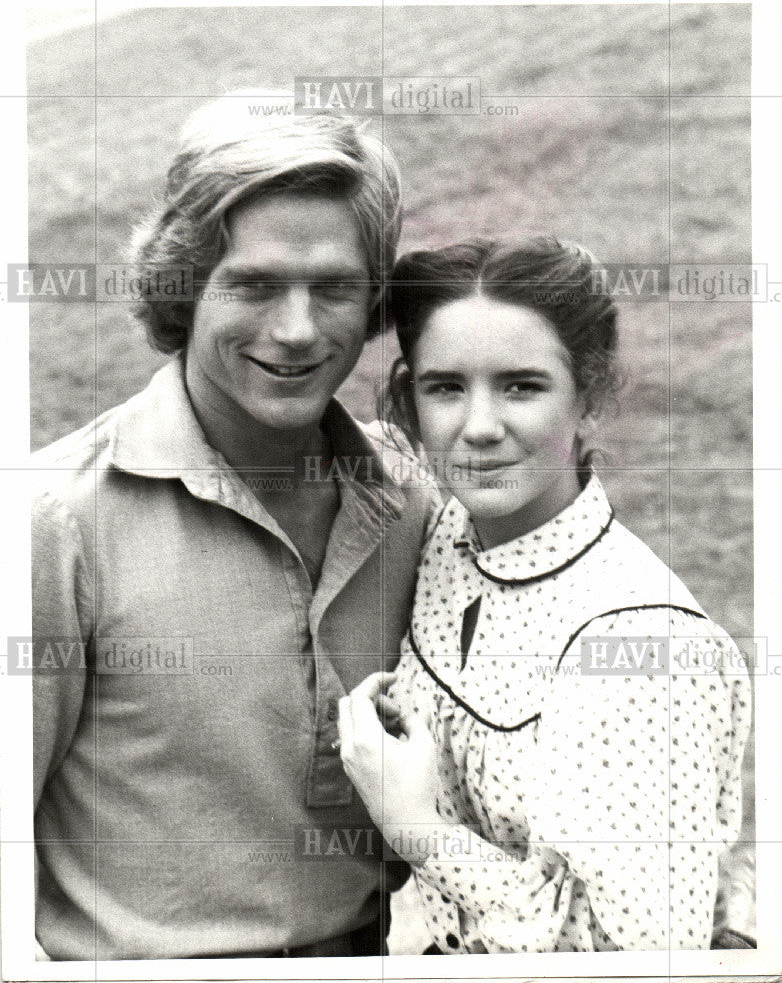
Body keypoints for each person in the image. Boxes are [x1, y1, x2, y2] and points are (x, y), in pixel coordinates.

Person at [31, 90, 436, 960]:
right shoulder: (53, 522)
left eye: (333, 289)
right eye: (252, 284)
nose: (296, 332)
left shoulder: (412, 504)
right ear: (182, 284)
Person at [337, 237, 753, 952]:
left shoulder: (640, 648)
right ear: (408, 402)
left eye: (522, 386)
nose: (479, 427)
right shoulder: (445, 533)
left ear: (588, 397)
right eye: (446, 388)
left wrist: (420, 830)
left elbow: (650, 961)